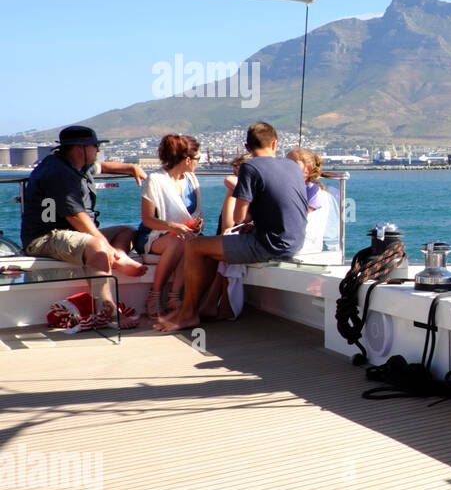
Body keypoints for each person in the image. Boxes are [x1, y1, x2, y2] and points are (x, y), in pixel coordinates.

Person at [154, 122, 307, 333]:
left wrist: (249, 221)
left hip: (270, 245)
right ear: (275, 143)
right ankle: (194, 309)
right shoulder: (291, 166)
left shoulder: (250, 167)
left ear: (247, 147)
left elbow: (238, 217)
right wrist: (255, 224)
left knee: (195, 247)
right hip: (295, 241)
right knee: (208, 251)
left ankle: (187, 314)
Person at [20, 126, 148, 315]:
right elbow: (75, 216)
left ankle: (119, 258)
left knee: (126, 231)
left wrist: (131, 167)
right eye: (95, 146)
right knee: (97, 247)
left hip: (74, 233)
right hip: (45, 237)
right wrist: (106, 246)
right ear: (80, 148)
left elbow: (103, 167)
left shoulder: (78, 165)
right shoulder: (58, 172)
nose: (98, 150)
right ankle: (107, 311)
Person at [135, 134, 204, 318]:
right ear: (187, 160)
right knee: (177, 241)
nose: (198, 162)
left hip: (182, 235)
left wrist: (197, 224)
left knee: (188, 241)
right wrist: (174, 227)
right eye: (197, 158)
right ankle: (156, 295)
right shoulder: (155, 180)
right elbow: (148, 219)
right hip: (154, 236)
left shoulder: (191, 179)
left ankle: (174, 296)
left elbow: (196, 213)